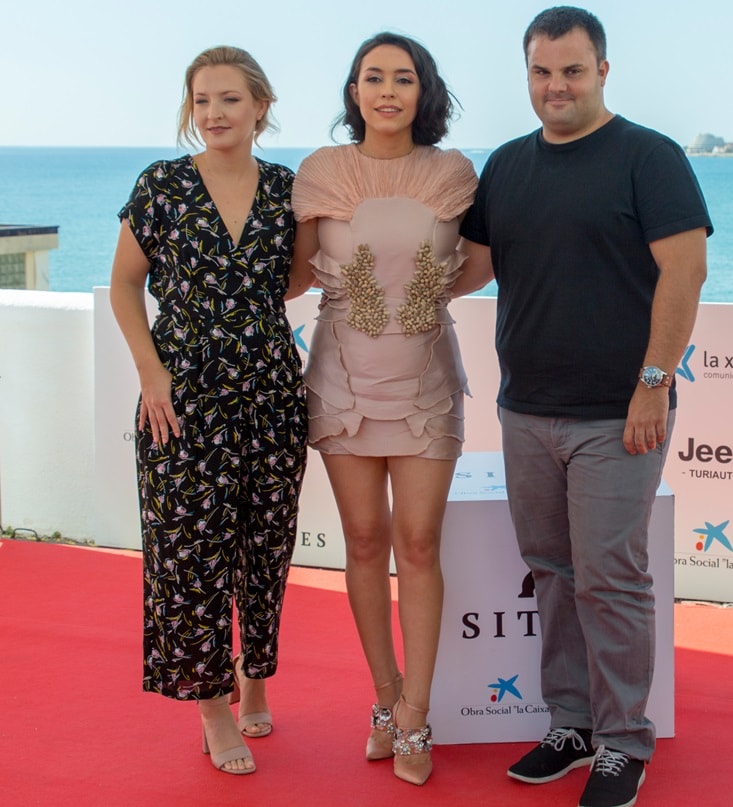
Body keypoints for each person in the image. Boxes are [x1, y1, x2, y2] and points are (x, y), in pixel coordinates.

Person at [459, 7, 712, 807]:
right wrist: (370, 270)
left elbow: (685, 272)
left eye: (571, 70)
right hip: (525, 409)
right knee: (555, 572)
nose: (555, 86)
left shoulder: (649, 157)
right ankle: (570, 723)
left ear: (603, 70)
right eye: (541, 71)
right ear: (526, 75)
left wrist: (652, 383)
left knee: (610, 575)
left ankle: (623, 740)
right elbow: (468, 268)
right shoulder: (503, 166)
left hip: (618, 411)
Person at [290, 32, 486, 786]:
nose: (387, 90)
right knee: (365, 541)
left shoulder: (452, 172)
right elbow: (297, 275)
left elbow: (479, 264)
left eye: (403, 78)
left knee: (421, 542)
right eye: (373, 77)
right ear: (353, 91)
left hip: (425, 384)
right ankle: (383, 699)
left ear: (423, 91)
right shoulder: (321, 171)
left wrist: (416, 302)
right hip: (342, 381)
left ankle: (417, 714)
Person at [109, 45, 309, 776]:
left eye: (229, 98)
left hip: (270, 393)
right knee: (188, 559)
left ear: (261, 105)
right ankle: (213, 707)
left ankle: (255, 675)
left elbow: (291, 281)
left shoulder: (289, 188)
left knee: (264, 547)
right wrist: (152, 374)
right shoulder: (161, 185)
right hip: (182, 399)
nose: (214, 113)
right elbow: (125, 286)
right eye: (201, 101)